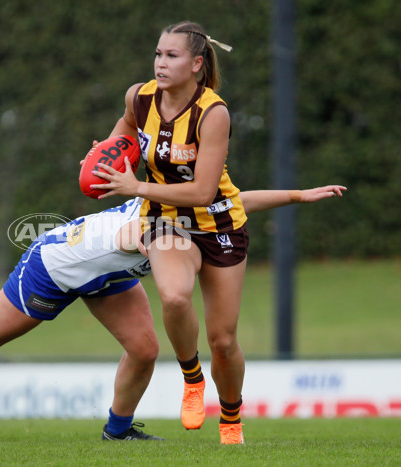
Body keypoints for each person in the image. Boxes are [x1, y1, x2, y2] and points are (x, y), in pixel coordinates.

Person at [0, 186, 345, 442]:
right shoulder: (159, 218)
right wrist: (162, 251)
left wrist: (300, 196)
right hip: (55, 267)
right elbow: (143, 241)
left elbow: (234, 205)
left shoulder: (187, 204)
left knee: (145, 349)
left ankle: (117, 431)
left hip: (107, 276)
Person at [88, 20, 337, 444]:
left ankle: (231, 418)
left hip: (219, 225)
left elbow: (205, 192)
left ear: (197, 64)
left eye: (172, 56)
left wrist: (135, 186)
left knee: (223, 341)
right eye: (158, 54)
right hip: (166, 221)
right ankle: (191, 377)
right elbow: (126, 129)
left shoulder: (213, 112)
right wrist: (104, 159)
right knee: (173, 294)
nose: (160, 63)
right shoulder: (140, 96)